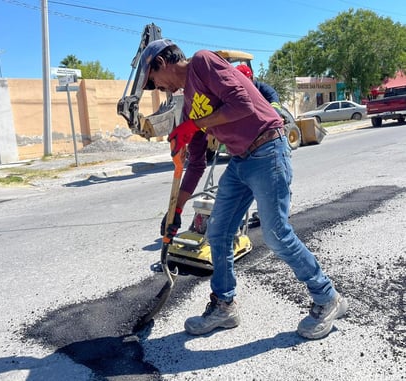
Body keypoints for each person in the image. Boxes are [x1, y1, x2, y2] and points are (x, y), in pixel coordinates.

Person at [141, 38, 348, 339]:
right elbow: (196, 164)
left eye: (155, 82)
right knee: (218, 232)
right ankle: (224, 306)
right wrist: (176, 210)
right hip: (240, 161)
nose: (159, 89)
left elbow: (243, 104)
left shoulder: (203, 62)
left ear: (161, 64)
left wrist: (195, 126)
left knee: (276, 234)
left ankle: (327, 297)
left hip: (268, 149)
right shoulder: (187, 107)